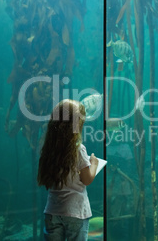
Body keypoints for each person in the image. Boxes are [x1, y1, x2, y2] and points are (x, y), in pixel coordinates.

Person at [37, 99, 99, 241]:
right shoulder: (78, 150)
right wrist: (94, 163)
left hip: (52, 211)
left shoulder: (48, 149)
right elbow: (87, 179)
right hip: (75, 212)